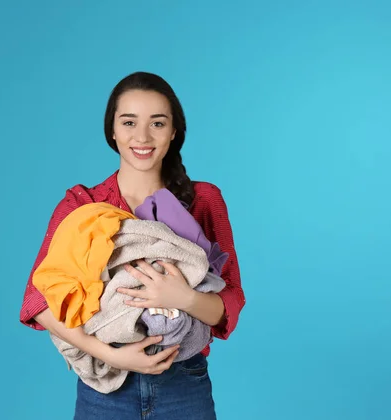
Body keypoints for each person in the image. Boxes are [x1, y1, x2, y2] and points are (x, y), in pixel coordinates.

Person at [19, 71, 245, 419]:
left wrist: (182, 298)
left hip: (183, 382)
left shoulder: (204, 200)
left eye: (157, 123)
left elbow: (229, 304)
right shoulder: (83, 204)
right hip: (106, 386)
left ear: (173, 132)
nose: (142, 136)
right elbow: (38, 301)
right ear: (112, 130)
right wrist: (111, 355)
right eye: (129, 122)